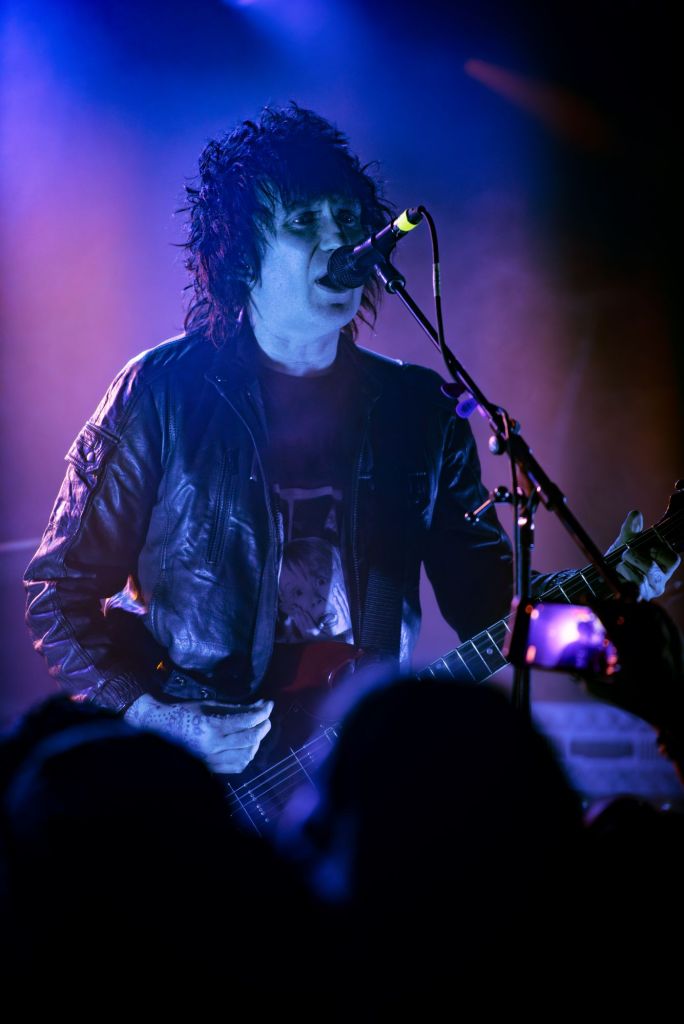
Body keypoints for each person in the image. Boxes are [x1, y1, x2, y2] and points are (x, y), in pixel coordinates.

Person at [23, 103, 681, 775]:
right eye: (303, 221)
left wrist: (605, 611)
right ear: (240, 258)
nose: (339, 240)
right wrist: (157, 719)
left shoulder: (420, 412)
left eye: (346, 218)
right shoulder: (160, 394)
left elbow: (494, 615)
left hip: (350, 775)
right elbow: (57, 592)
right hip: (197, 782)